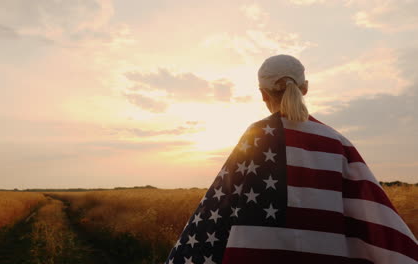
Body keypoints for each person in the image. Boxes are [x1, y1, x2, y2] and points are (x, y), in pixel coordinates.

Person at [165, 54, 417, 264]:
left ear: (263, 94)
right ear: (305, 88)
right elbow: (372, 214)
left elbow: (218, 211)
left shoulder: (255, 137)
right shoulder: (338, 143)